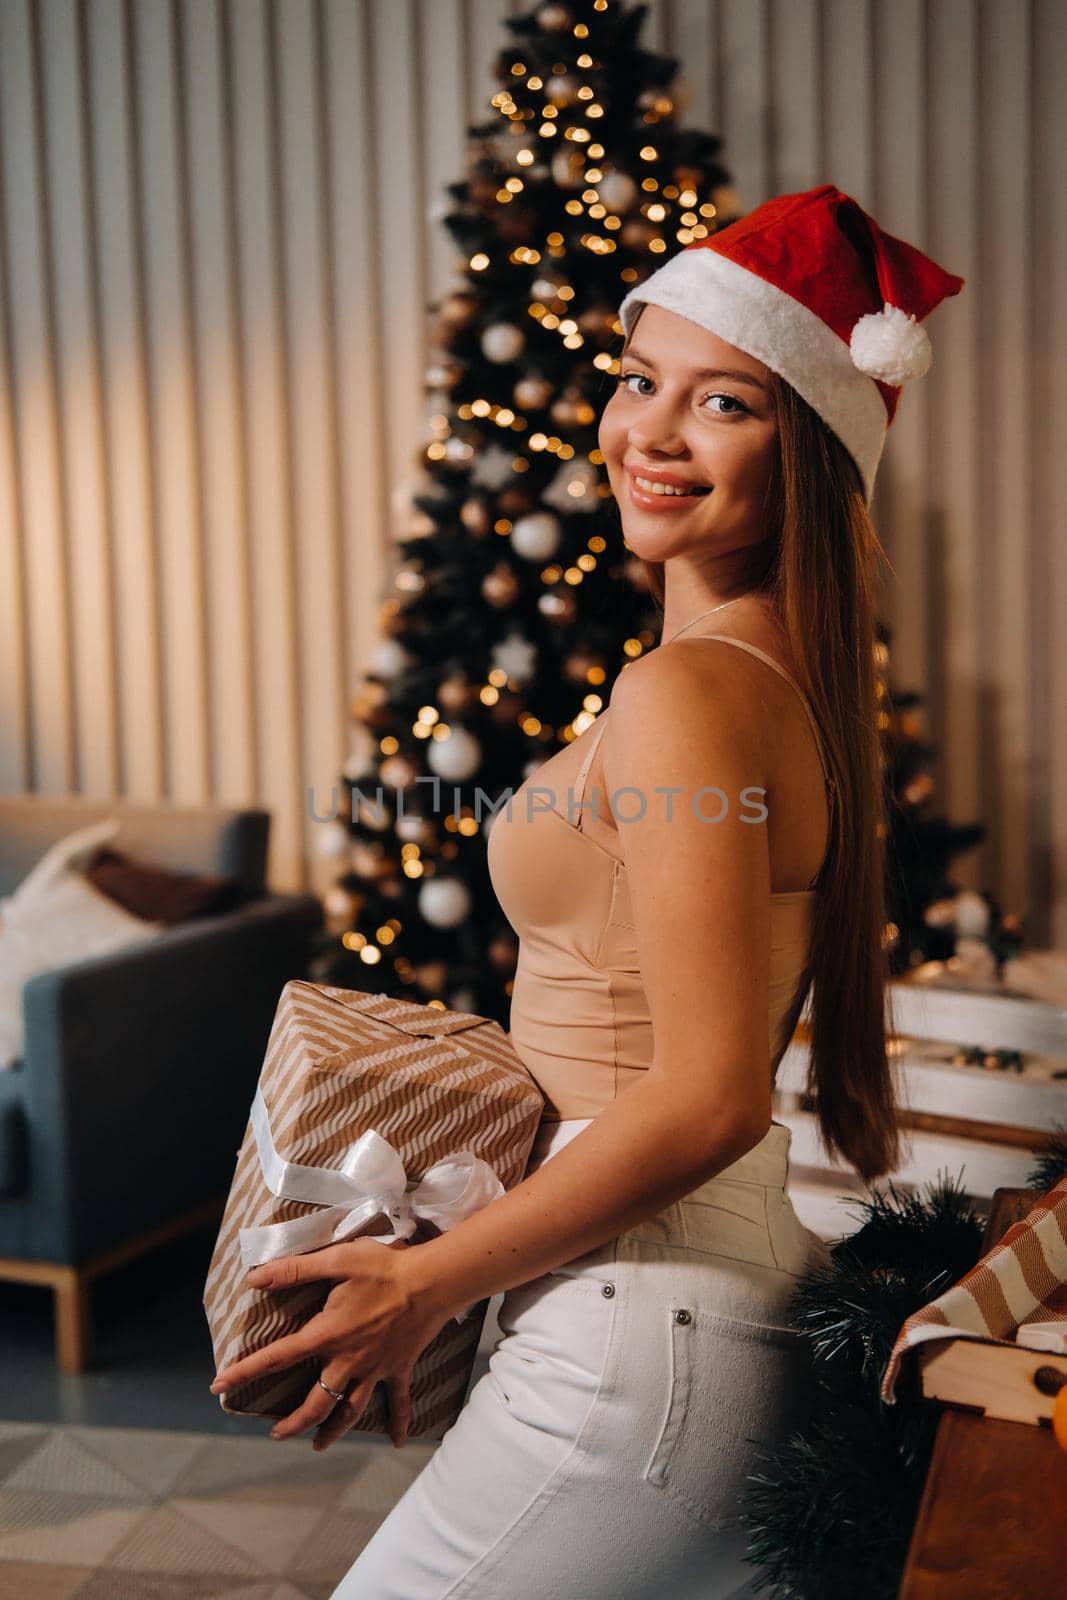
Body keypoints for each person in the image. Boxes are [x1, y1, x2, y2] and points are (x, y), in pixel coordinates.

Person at [209, 184, 965, 1598]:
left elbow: (706, 1096)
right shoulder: (772, 693)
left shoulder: (689, 695)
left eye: (723, 402)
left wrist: (420, 1285)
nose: (649, 434)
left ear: (807, 445)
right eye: (638, 382)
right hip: (682, 1305)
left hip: (640, 1332)